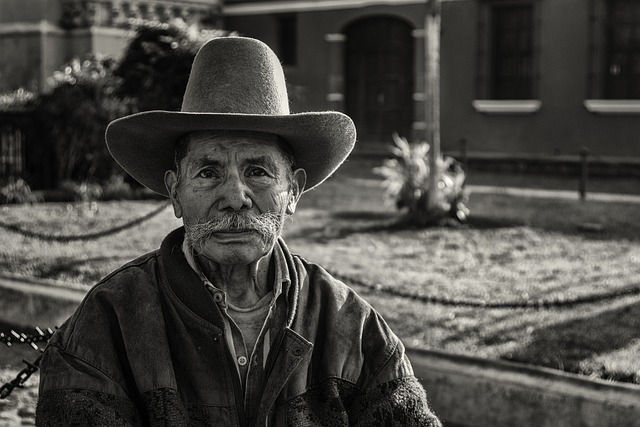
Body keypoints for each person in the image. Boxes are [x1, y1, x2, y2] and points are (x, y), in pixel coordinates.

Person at [36, 36, 441, 426]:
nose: (235, 196)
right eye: (208, 172)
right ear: (175, 193)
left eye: (258, 171)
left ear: (293, 191)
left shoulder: (350, 325)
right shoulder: (108, 322)